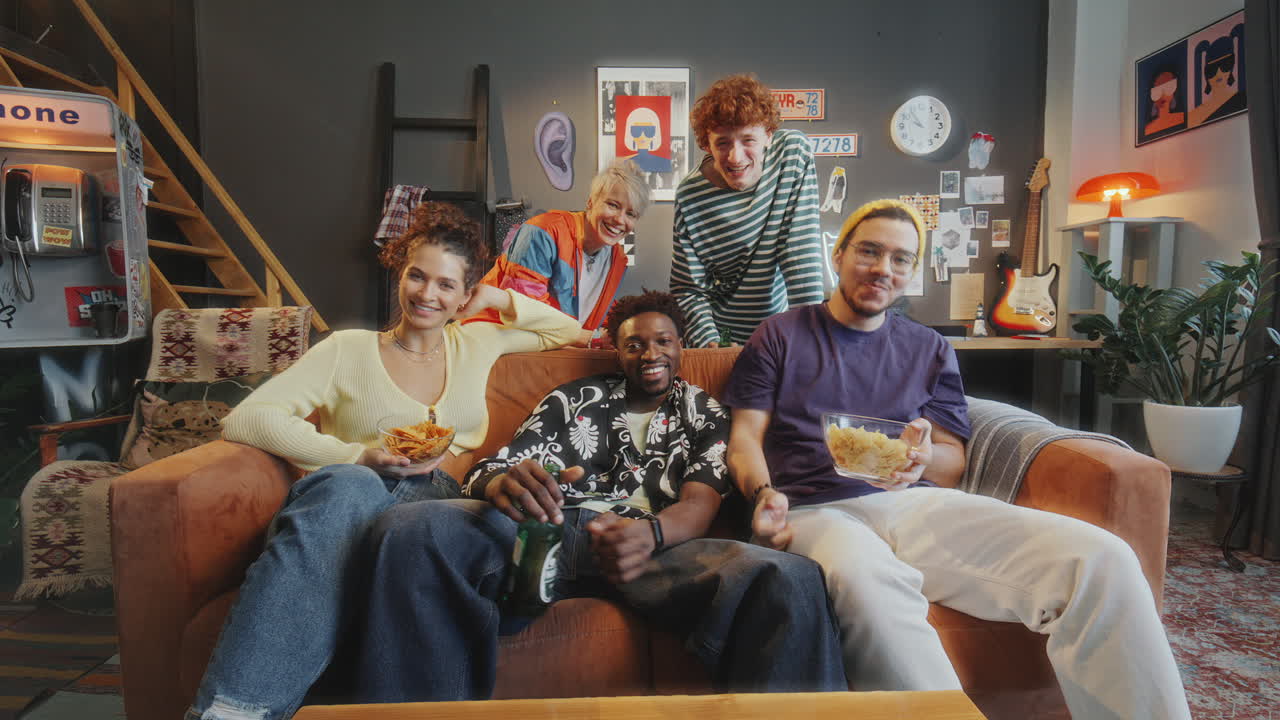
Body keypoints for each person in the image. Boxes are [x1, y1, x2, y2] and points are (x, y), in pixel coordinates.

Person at [723, 199, 1192, 720]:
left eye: (900, 259)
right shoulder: (780, 334)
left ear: (911, 273)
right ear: (838, 255)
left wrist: (921, 459)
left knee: (1102, 559)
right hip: (813, 510)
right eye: (869, 251)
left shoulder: (928, 348)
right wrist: (763, 495)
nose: (883, 268)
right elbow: (745, 437)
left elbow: (952, 461)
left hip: (911, 504)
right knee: (869, 581)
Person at [187, 202, 583, 720]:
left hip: (443, 504)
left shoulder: (477, 342)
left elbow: (569, 331)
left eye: (446, 285)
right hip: (353, 502)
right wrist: (358, 454)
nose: (427, 294)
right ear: (400, 274)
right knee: (346, 486)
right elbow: (247, 419)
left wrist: (497, 297)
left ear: (463, 296)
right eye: (417, 276)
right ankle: (230, 712)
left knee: (401, 520)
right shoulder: (347, 351)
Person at [351, 291, 848, 702]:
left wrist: (649, 534)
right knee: (410, 529)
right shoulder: (574, 399)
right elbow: (496, 467)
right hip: (548, 535)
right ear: (618, 349)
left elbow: (700, 503)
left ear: (682, 347)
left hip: (659, 551)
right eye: (635, 345)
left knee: (792, 578)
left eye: (663, 342)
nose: (650, 354)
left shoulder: (705, 412)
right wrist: (506, 484)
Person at [669, 73, 826, 348]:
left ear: (768, 134)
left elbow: (800, 253)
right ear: (707, 143)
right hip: (723, 334)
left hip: (782, 331)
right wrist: (711, 345)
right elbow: (688, 288)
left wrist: (810, 339)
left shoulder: (792, 154)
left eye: (748, 140)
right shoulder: (690, 196)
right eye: (723, 143)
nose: (735, 157)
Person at [470, 160, 650, 344]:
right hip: (493, 343)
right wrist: (591, 339)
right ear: (591, 201)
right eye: (613, 205)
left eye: (631, 214)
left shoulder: (617, 259)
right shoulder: (543, 232)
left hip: (555, 350)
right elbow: (525, 311)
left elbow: (594, 314)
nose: (620, 220)